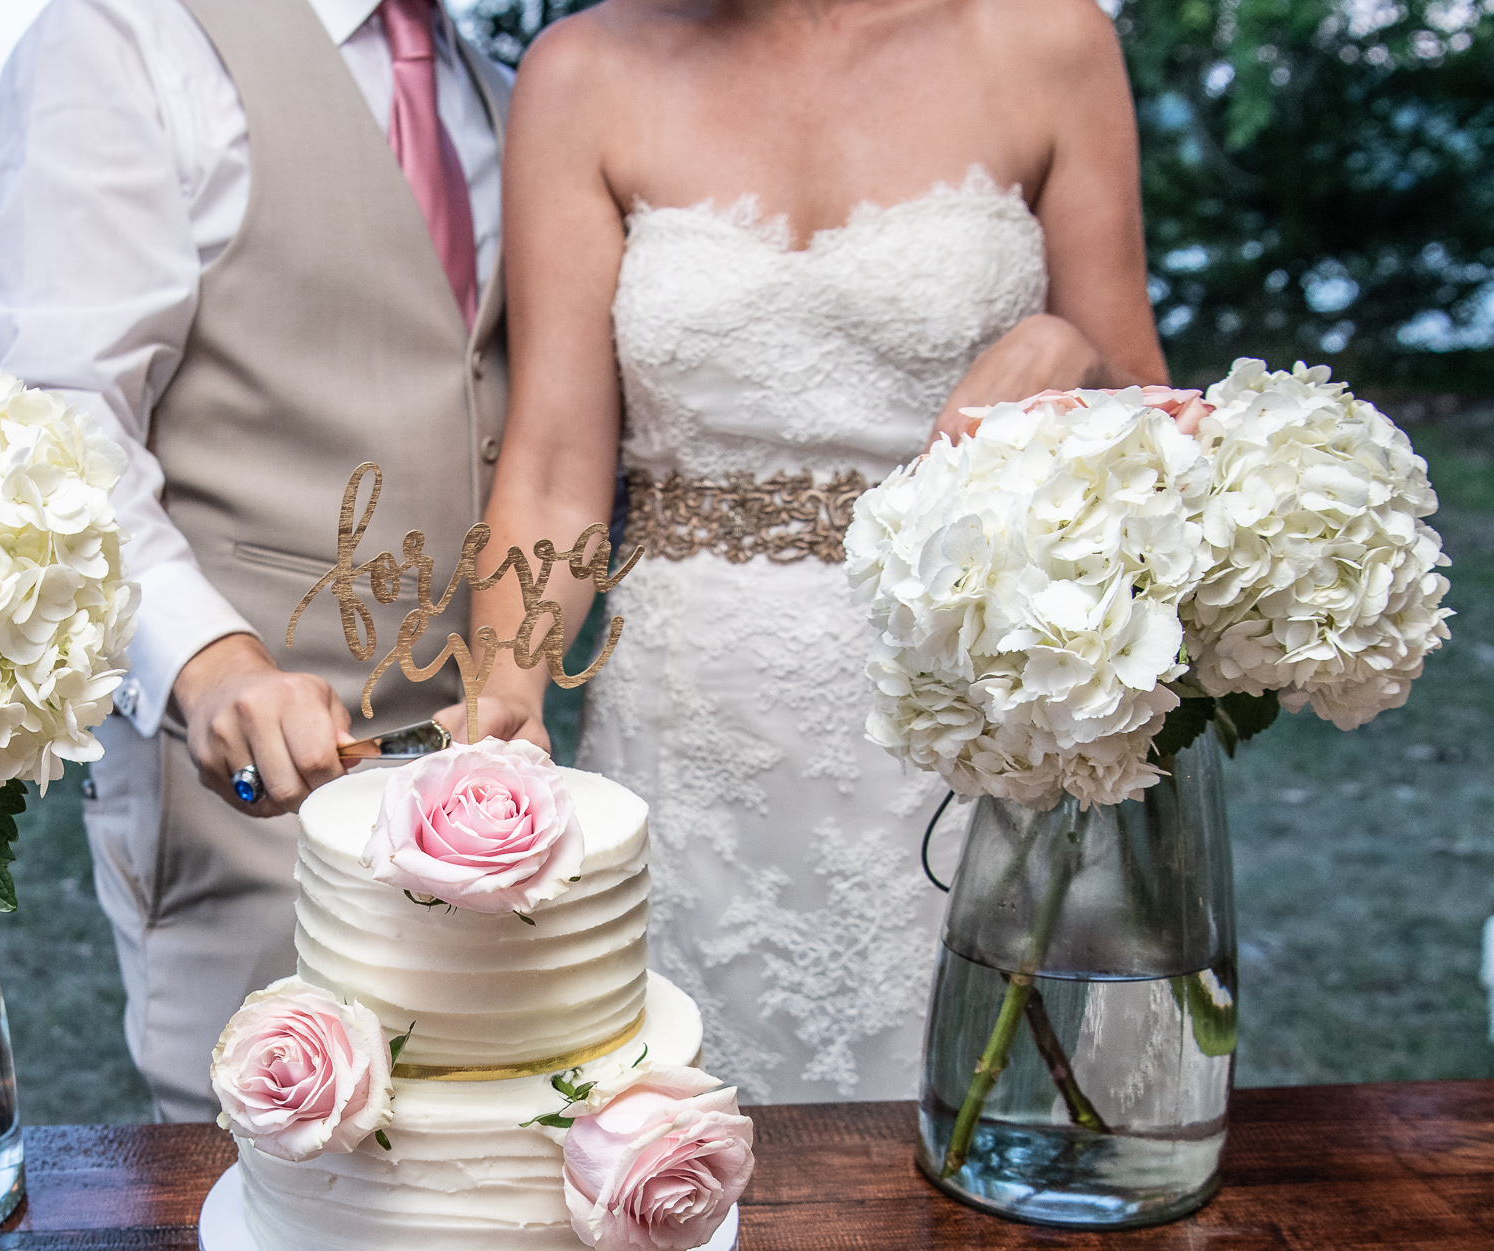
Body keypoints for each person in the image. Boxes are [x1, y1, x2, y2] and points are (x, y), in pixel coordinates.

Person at [466, 0, 1169, 1102]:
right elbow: (555, 467)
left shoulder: (1043, 39)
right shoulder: (580, 72)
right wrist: (497, 725)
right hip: (686, 716)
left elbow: (1149, 422)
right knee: (672, 1132)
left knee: (973, 1121)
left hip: (963, 690)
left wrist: (1063, 348)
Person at [0, 0, 514, 1121]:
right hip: (246, 791)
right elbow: (55, 416)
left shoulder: (499, 84)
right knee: (264, 1169)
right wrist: (213, 667)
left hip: (487, 781)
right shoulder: (126, 37)